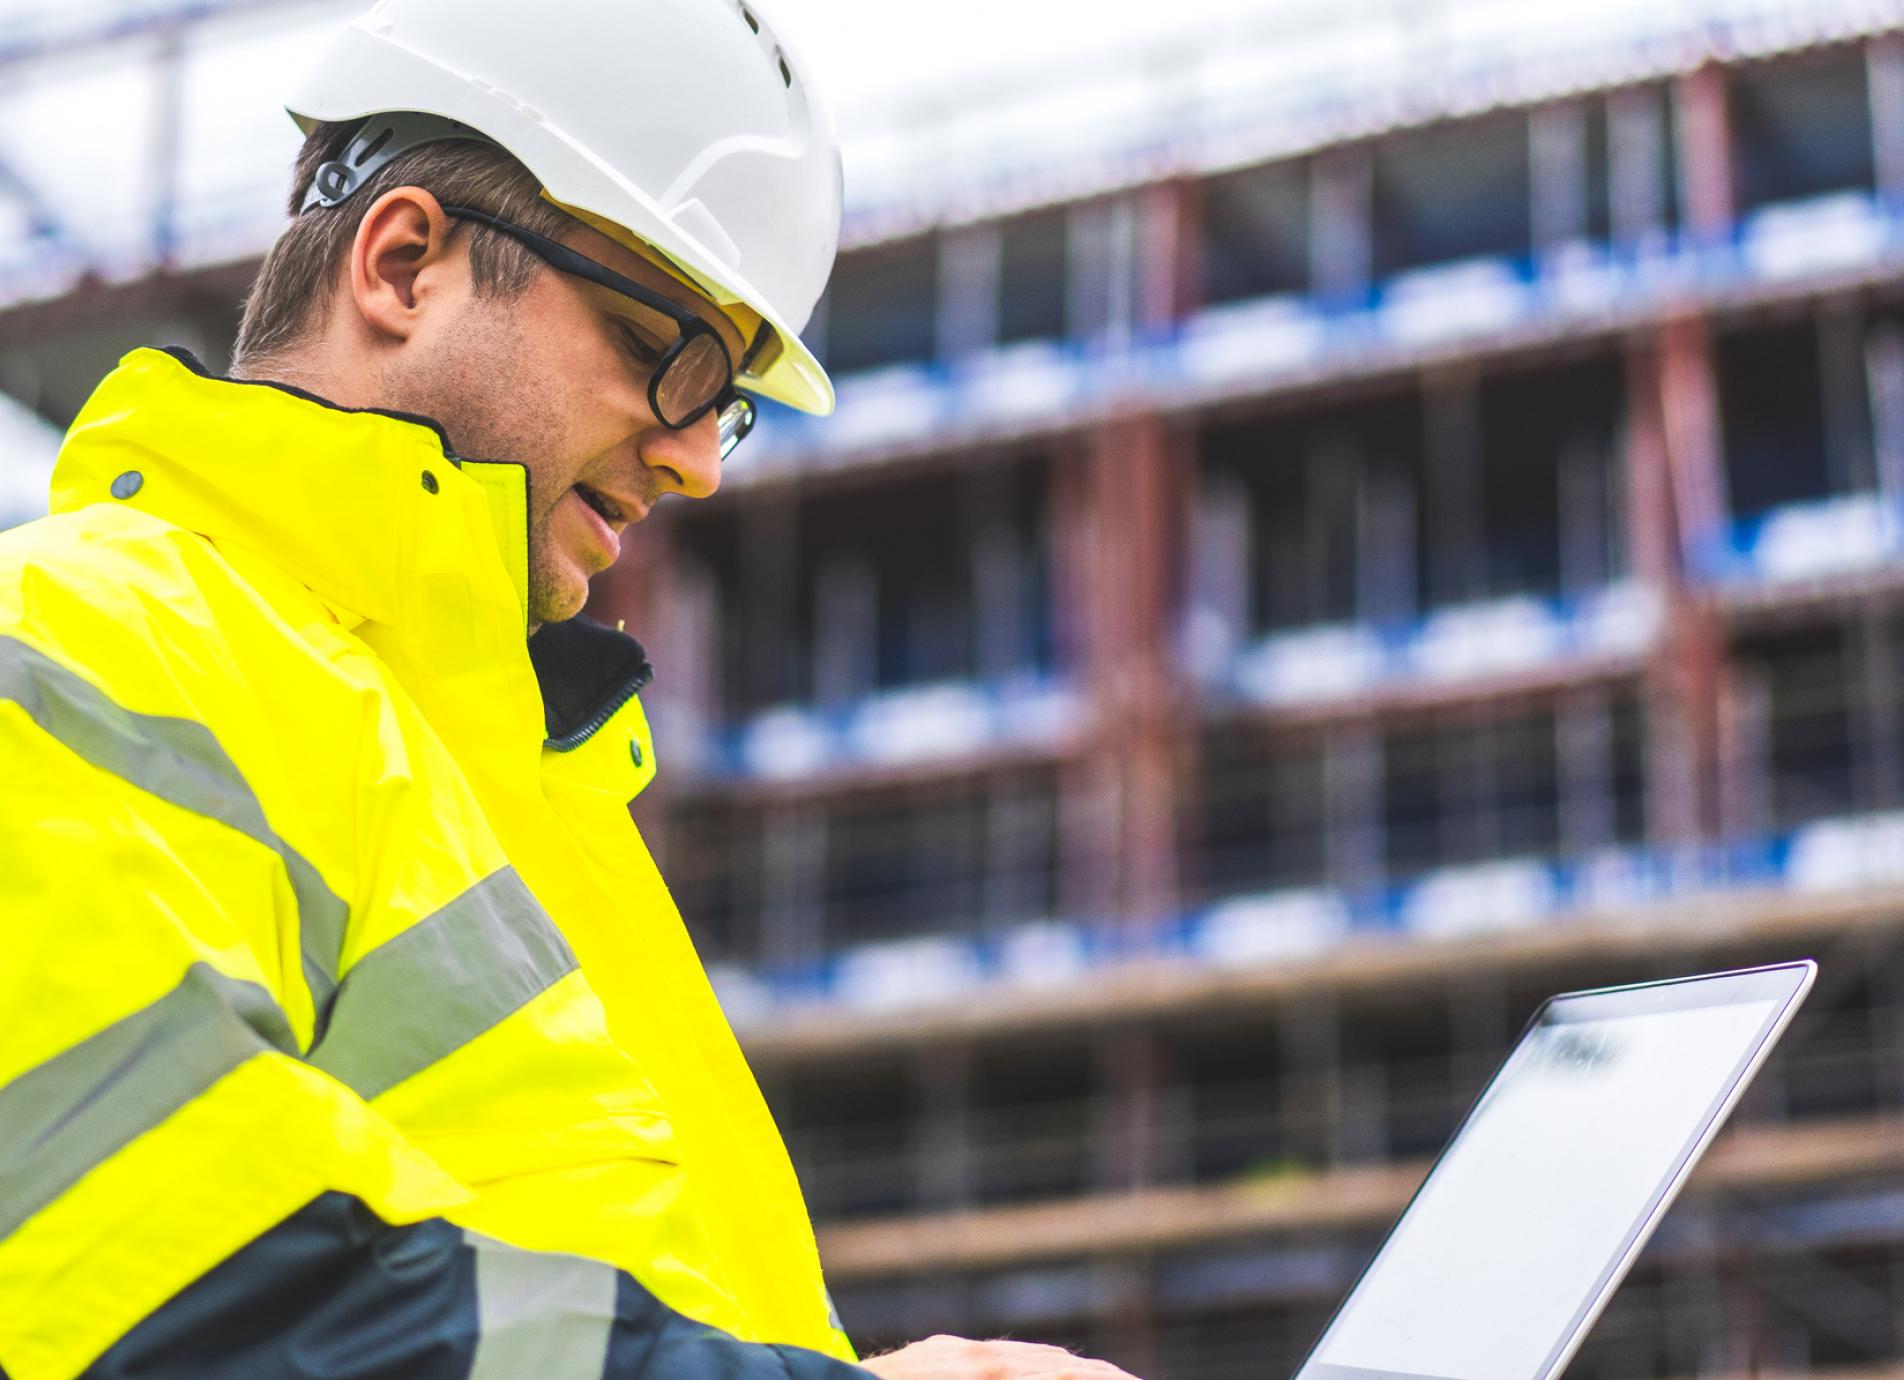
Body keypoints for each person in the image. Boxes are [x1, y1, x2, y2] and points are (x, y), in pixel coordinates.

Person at [0, 2, 1143, 1378]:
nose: (697, 461)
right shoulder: (74, 641)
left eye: (723, 402)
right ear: (404, 264)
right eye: (662, 347)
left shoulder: (542, 807)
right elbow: (166, 1291)